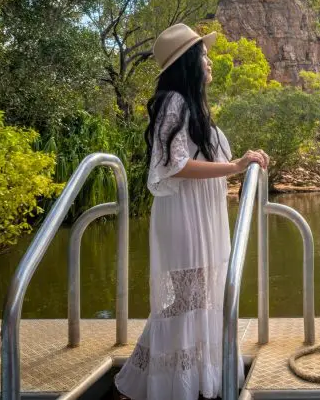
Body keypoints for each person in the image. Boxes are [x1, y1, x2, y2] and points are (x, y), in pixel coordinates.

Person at [114, 23, 269, 400]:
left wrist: (242, 162)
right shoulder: (175, 102)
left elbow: (196, 160)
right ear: (188, 63)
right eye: (203, 54)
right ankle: (161, 382)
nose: (209, 59)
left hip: (199, 214)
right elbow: (174, 166)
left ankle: (189, 377)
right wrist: (235, 166)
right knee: (186, 300)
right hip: (185, 217)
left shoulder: (190, 106)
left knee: (197, 299)